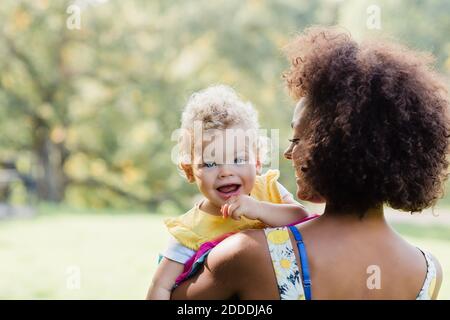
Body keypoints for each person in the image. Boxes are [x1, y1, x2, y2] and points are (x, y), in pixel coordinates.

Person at [169, 26, 448, 300]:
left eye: (297, 138)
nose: (288, 154)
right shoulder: (428, 272)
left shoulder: (248, 255)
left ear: (333, 146)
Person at [147, 85, 310, 300]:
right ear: (190, 171)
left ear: (258, 162)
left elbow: (302, 218)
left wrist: (258, 209)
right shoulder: (189, 230)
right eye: (210, 163)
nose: (226, 172)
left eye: (239, 160)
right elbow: (160, 286)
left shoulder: (269, 189)